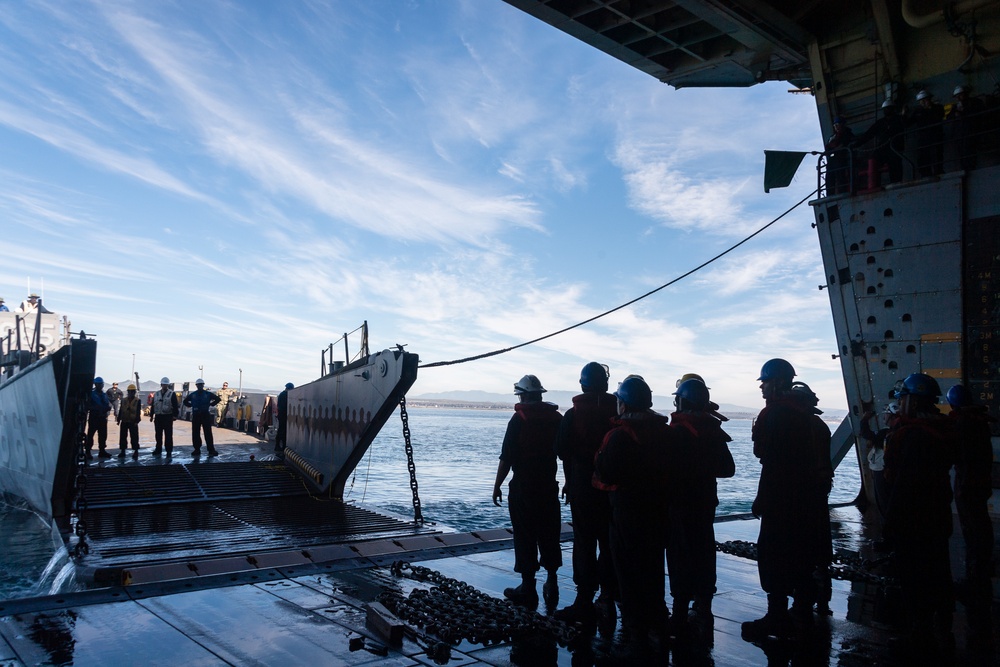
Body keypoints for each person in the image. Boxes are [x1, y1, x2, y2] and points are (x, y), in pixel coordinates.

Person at [741, 359, 827, 641]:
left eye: (764, 382)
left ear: (775, 383)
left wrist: (761, 499)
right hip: (808, 500)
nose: (762, 388)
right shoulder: (808, 418)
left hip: (782, 500)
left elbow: (773, 464)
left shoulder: (777, 415)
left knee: (774, 556)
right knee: (802, 554)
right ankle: (802, 611)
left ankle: (777, 616)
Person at [594, 375, 678, 656]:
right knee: (653, 571)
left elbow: (607, 472)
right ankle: (658, 625)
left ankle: (636, 635)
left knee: (628, 575)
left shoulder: (619, 436)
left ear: (623, 404)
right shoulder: (665, 433)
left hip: (627, 514)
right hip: (658, 513)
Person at [882, 373, 955, 657]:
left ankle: (921, 635)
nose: (899, 406)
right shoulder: (941, 431)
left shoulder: (913, 436)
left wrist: (891, 522)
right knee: (938, 569)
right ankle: (942, 626)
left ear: (911, 401)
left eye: (902, 400)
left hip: (914, 520)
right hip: (937, 516)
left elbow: (904, 485)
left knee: (915, 576)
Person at [553, 362, 618, 629]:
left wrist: (569, 480)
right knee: (609, 542)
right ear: (606, 383)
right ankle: (608, 597)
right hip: (613, 490)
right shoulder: (618, 410)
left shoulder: (573, 415)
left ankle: (584, 600)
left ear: (582, 385)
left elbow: (562, 451)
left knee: (584, 541)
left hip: (582, 487)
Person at [667, 377, 735, 629]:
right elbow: (728, 469)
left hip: (679, 505)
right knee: (704, 553)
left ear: (682, 401)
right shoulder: (712, 431)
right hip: (705, 503)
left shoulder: (675, 433)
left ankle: (680, 612)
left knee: (679, 556)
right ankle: (704, 606)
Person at [492, 374, 563, 608]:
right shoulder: (556, 419)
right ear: (540, 395)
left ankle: (528, 586)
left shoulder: (518, 420)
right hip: (548, 486)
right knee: (549, 534)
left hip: (523, 488)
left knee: (525, 536)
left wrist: (497, 486)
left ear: (522, 395)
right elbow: (567, 453)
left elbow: (506, 458)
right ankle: (552, 581)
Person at [945, 384, 996, 651]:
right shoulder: (978, 422)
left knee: (971, 526)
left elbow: (955, 453)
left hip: (967, 483)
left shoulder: (963, 425)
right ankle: (981, 565)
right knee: (979, 523)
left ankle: (977, 572)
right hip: (979, 480)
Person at [789, 381, 834, 615]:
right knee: (820, 542)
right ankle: (822, 597)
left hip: (806, 491)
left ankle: (803, 601)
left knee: (803, 542)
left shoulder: (803, 425)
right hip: (819, 489)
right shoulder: (819, 425)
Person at [859, 400, 898, 520]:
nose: (884, 416)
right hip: (893, 472)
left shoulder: (885, 434)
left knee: (883, 501)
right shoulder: (900, 432)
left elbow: (866, 434)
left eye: (886, 414)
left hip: (881, 471)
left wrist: (864, 420)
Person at [853, 100, 905, 184]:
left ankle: (896, 183)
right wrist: (856, 145)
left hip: (895, 148)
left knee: (895, 167)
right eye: (885, 109)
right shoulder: (880, 123)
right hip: (883, 149)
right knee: (874, 162)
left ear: (892, 109)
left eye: (888, 109)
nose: (886, 111)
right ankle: (874, 184)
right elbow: (868, 134)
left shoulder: (900, 119)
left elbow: (907, 123)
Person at [946, 85, 985, 170]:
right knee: (961, 152)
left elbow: (978, 113)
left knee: (970, 150)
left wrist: (963, 112)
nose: (958, 98)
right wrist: (955, 113)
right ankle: (965, 167)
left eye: (960, 95)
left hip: (971, 130)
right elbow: (948, 117)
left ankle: (971, 167)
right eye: (957, 96)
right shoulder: (955, 107)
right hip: (960, 133)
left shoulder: (974, 102)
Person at [909, 90, 944, 176]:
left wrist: (930, 109)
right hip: (923, 138)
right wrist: (903, 115)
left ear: (929, 99)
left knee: (936, 154)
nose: (923, 103)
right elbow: (908, 123)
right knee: (923, 157)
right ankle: (925, 174)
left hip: (935, 135)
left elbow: (940, 116)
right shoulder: (917, 112)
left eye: (925, 100)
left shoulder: (938, 108)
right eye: (921, 101)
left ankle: (938, 171)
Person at [183, 379, 221, 457]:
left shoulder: (207, 394)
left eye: (201, 385)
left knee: (208, 433)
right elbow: (185, 401)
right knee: (196, 433)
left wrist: (211, 404)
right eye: (199, 385)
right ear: (197, 385)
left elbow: (218, 399)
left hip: (205, 415)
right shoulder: (194, 395)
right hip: (196, 415)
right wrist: (191, 405)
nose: (200, 386)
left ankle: (211, 449)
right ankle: (197, 449)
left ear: (203, 385)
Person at [824, 116, 856, 193]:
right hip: (833, 160)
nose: (836, 127)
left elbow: (843, 145)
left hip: (843, 159)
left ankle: (842, 191)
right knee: (829, 177)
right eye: (835, 125)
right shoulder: (833, 137)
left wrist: (834, 149)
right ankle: (830, 193)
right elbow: (828, 147)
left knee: (840, 176)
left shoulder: (848, 135)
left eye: (838, 124)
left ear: (843, 125)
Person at [150, 377, 179, 457]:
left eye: (166, 385)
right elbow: (153, 405)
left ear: (168, 385)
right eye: (163, 384)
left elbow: (175, 405)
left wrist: (175, 415)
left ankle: (168, 451)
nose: (164, 386)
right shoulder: (157, 394)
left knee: (168, 435)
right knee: (158, 435)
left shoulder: (171, 394)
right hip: (158, 417)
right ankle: (158, 449)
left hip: (167, 417)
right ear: (161, 384)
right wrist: (151, 415)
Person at [86, 377, 113, 459]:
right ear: (96, 384)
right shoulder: (91, 394)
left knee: (103, 435)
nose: (101, 386)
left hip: (103, 418)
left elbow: (108, 404)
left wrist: (107, 408)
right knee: (90, 435)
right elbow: (87, 406)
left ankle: (102, 451)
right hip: (94, 417)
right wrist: (97, 408)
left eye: (102, 384)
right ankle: (88, 451)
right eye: (99, 384)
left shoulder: (104, 394)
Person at [116, 384, 142, 460]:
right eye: (130, 392)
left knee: (134, 437)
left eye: (132, 392)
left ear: (134, 392)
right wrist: (118, 419)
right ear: (128, 392)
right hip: (124, 420)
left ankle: (136, 451)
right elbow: (121, 410)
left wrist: (137, 421)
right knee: (123, 436)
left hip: (133, 421)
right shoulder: (124, 400)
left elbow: (138, 412)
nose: (131, 393)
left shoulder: (137, 401)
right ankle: (123, 451)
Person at [276, 382, 294, 455]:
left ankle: (278, 445)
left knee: (281, 429)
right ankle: (283, 446)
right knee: (283, 430)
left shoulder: (281, 394)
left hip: (281, 414)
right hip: (283, 415)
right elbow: (285, 406)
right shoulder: (285, 395)